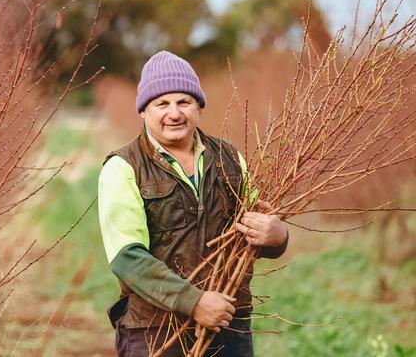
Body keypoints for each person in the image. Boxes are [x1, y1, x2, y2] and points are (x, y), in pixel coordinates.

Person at [98, 51, 289, 356]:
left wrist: (277, 237)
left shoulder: (229, 158)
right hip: (156, 329)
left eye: (183, 102)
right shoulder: (123, 167)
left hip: (229, 322)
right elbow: (127, 257)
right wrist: (195, 301)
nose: (174, 113)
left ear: (198, 107)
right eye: (162, 104)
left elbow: (253, 232)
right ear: (144, 111)